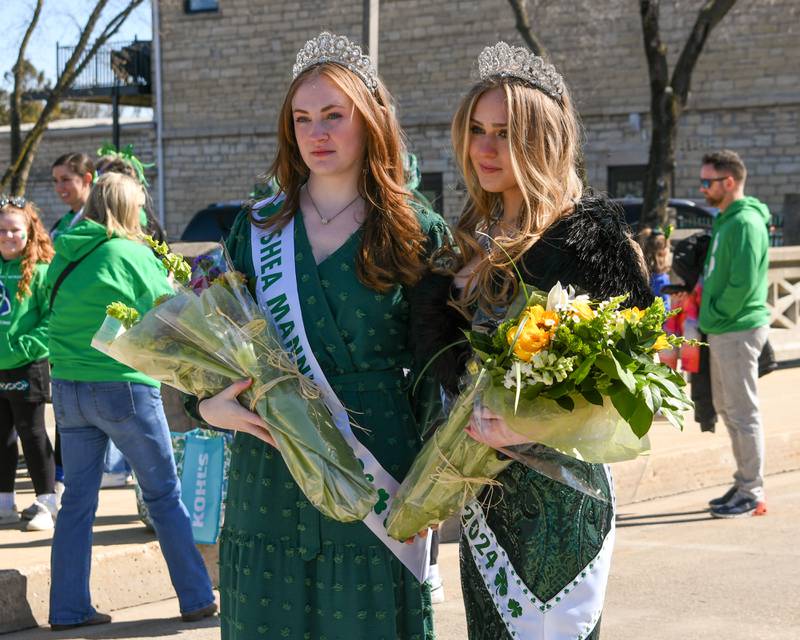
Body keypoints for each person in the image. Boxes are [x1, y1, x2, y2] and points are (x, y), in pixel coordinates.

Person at [191, 32, 448, 640]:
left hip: (376, 467)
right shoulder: (255, 228)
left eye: (335, 115)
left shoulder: (416, 231)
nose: (317, 133)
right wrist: (206, 405)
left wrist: (437, 472)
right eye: (303, 119)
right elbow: (209, 342)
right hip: (269, 463)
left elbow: (442, 365)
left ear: (371, 123)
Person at [412, 42, 652, 639]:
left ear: (542, 140)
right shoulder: (465, 239)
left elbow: (631, 374)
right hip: (481, 488)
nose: (485, 148)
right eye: (477, 130)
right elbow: (441, 359)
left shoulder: (591, 239)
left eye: (505, 132)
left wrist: (531, 424)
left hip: (560, 494)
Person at [47, 172, 215, 630]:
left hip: (66, 386)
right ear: (125, 208)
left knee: (77, 503)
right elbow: (172, 309)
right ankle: (197, 597)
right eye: (140, 206)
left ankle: (67, 608)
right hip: (123, 386)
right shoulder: (131, 252)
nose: (144, 213)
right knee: (163, 495)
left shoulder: (64, 246)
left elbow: (47, 307)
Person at [51, 152, 132, 489]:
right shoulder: (63, 225)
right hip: (72, 350)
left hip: (109, 349)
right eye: (55, 181)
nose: (59, 188)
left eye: (66, 179)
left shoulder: (110, 230)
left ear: (88, 180)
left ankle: (114, 469)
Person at [698, 149, 770, 518]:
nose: (702, 188)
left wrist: (714, 313)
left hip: (737, 328)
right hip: (723, 328)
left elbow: (742, 284)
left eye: (708, 181)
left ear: (729, 182)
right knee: (728, 409)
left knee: (743, 413)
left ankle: (752, 490)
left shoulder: (744, 223)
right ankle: (744, 481)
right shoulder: (727, 219)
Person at [0, 195, 56, 531]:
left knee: (32, 433)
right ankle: (4, 502)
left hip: (27, 365)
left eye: (14, 230)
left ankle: (46, 503)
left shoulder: (41, 271)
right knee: (1, 436)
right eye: (1, 230)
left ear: (30, 232)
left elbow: (52, 320)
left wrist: (23, 346)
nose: (8, 237)